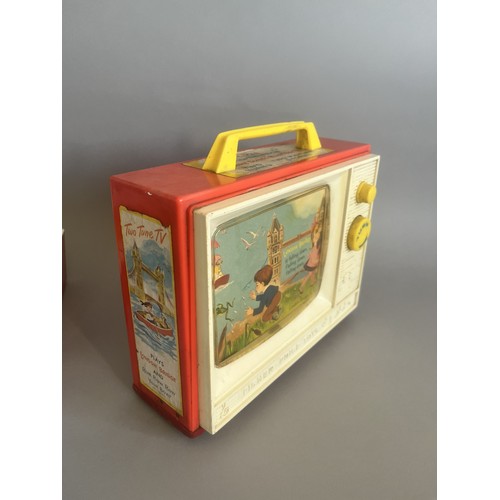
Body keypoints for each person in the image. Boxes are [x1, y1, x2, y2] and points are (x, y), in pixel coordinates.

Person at [299, 222, 322, 293]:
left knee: (310, 273)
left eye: (318, 228)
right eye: (317, 229)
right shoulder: (316, 235)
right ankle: (312, 282)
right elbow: (314, 240)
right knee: (311, 272)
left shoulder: (318, 237)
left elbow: (316, 244)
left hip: (314, 256)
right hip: (313, 255)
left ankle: (303, 286)